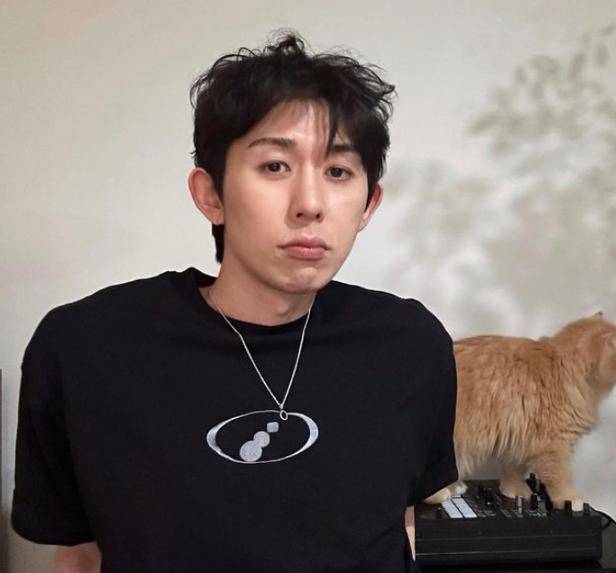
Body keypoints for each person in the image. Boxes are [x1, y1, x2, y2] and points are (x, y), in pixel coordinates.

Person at [11, 30, 458, 573]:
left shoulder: (410, 345)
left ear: (368, 205)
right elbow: (79, 555)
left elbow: (400, 523)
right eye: (275, 166)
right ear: (210, 194)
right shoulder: (85, 348)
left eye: (338, 172)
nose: (310, 204)